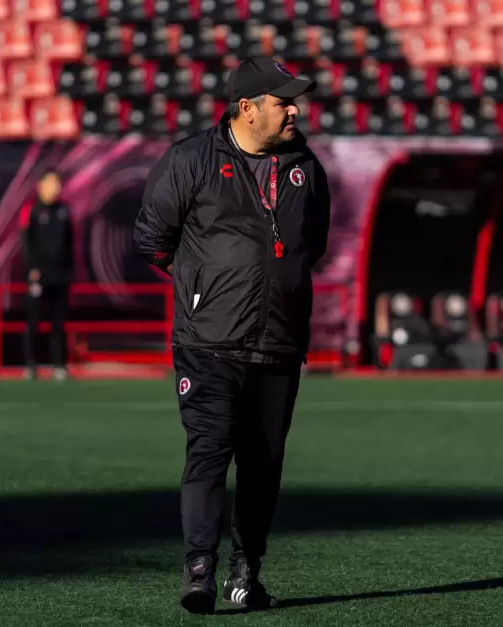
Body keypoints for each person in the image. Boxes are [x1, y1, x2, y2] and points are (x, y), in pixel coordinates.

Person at [134, 56, 331, 614]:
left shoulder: (306, 167)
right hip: (207, 342)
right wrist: (205, 287)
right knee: (208, 454)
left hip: (279, 343)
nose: (294, 110)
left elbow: (310, 244)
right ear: (246, 108)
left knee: (264, 464)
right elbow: (152, 239)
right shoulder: (190, 160)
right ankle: (199, 570)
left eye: (294, 100)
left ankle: (247, 573)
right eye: (281, 101)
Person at [22, 170, 74, 381]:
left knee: (59, 323)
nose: (56, 187)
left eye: (58, 183)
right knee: (33, 321)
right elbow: (27, 243)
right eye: (51, 183)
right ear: (40, 185)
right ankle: (30, 363)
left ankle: (59, 364)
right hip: (38, 275)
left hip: (60, 276)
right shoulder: (32, 211)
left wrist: (69, 271)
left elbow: (70, 242)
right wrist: (32, 269)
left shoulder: (64, 211)